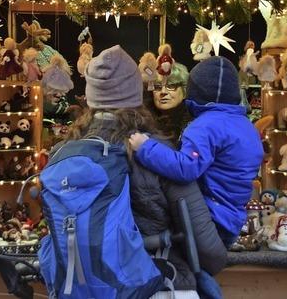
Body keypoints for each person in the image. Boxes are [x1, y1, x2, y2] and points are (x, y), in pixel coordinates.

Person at [68, 45, 226, 297]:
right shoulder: (155, 151)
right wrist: (216, 261)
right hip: (155, 278)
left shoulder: (70, 152)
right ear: (135, 94)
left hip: (88, 282)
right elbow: (200, 235)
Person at [130, 56, 265, 249]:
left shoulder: (205, 126)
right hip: (232, 219)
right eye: (158, 88)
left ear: (192, 90)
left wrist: (145, 147)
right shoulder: (245, 125)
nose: (163, 93)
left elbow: (186, 167)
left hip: (209, 218)